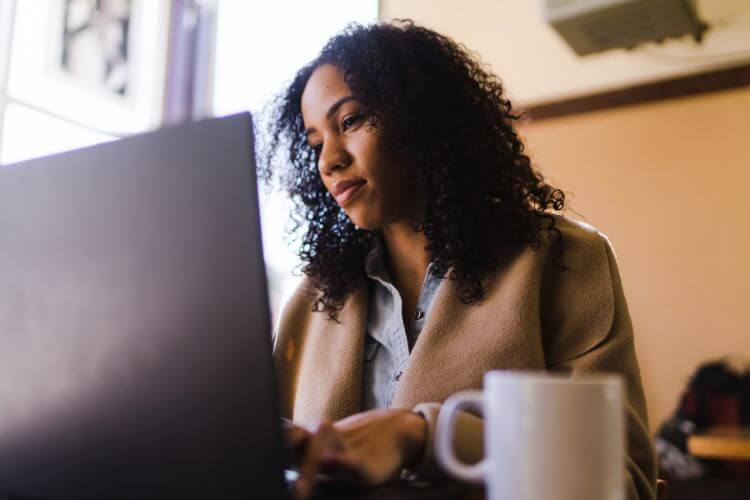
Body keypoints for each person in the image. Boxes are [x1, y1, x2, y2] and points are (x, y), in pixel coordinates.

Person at [262, 19, 657, 500]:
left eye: (350, 121)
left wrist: (425, 436)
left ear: (420, 117)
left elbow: (621, 482)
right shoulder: (313, 298)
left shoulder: (563, 261)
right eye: (316, 143)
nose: (329, 161)